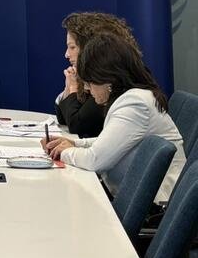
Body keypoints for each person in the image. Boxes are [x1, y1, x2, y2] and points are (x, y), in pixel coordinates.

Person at [42, 33, 185, 202]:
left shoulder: (134, 104)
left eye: (89, 81)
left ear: (108, 79)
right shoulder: (133, 97)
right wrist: (75, 144)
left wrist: (63, 152)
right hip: (136, 198)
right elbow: (110, 141)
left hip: (153, 204)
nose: (87, 88)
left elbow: (95, 160)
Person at [55, 12, 140, 137]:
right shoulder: (85, 74)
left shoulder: (110, 79)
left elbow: (78, 125)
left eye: (72, 47)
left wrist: (73, 88)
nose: (66, 54)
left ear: (90, 47)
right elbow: (63, 119)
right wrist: (68, 89)